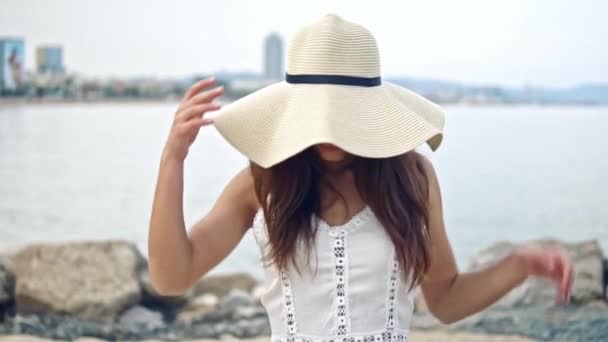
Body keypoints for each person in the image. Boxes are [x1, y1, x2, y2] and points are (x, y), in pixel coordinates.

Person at [148, 14, 573, 341]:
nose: (331, 129)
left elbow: (445, 299)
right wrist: (173, 160)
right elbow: (172, 276)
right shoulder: (263, 183)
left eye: (345, 114)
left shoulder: (412, 179)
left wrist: (520, 264)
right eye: (320, 114)